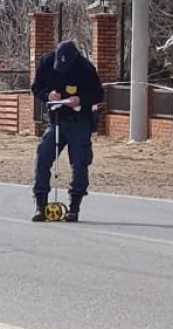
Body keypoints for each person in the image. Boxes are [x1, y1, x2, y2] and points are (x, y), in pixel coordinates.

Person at [30, 40, 104, 222]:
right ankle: (41, 205)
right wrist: (48, 95)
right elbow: (36, 87)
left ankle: (74, 207)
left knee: (80, 162)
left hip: (79, 121)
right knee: (43, 156)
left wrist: (80, 99)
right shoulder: (47, 62)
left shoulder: (85, 68)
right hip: (56, 120)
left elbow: (98, 94)